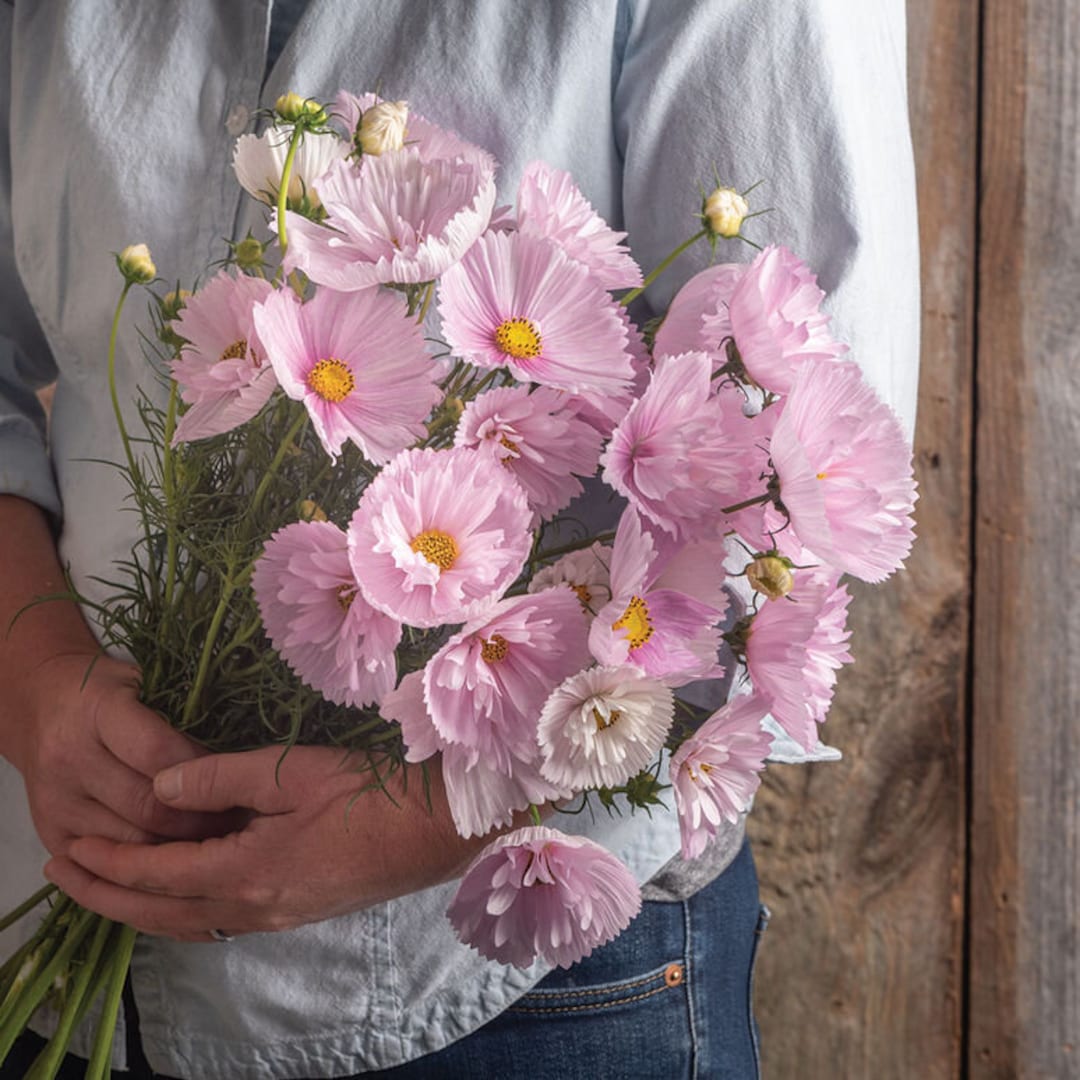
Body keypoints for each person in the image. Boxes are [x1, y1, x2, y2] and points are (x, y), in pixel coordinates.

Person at [0, 2, 919, 1076]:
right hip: (66, 935)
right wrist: (32, 676)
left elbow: (796, 487)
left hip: (508, 978)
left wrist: (427, 817)